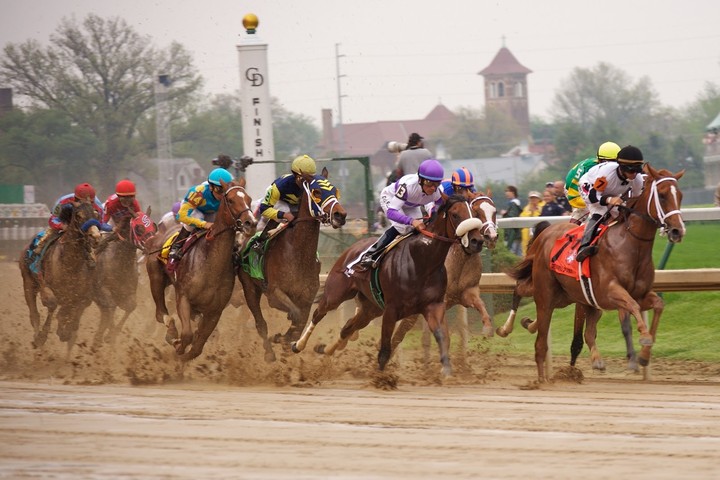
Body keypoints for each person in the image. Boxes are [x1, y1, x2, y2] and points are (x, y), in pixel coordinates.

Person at [353, 158, 445, 269]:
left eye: (436, 184)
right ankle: (370, 254)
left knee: (420, 229)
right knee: (402, 227)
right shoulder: (408, 186)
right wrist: (411, 221)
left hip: (411, 205)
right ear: (420, 180)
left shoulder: (438, 191)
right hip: (391, 199)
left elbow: (436, 208)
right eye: (429, 183)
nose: (432, 188)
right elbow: (392, 213)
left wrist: (432, 213)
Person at [575, 145, 645, 262]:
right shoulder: (606, 174)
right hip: (590, 187)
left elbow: (635, 198)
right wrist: (609, 200)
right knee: (600, 210)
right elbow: (593, 197)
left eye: (637, 169)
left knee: (620, 213)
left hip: (610, 191)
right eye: (631, 170)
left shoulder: (637, 179)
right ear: (621, 167)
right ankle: (584, 245)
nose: (634, 174)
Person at [251, 154, 318, 252]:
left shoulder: (314, 185)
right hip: (277, 201)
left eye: (311, 179)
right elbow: (264, 209)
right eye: (304, 179)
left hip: (294, 203)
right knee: (286, 212)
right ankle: (260, 242)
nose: (307, 183)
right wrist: (285, 215)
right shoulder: (280, 186)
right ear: (295, 175)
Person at [167, 167, 235, 263]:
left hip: (212, 212)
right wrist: (204, 224)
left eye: (226, 189)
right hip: (196, 210)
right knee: (198, 218)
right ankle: (177, 246)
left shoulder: (228, 195)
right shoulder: (198, 192)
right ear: (211, 187)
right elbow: (181, 216)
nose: (223, 194)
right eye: (220, 190)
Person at [33, 182, 106, 254]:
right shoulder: (62, 201)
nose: (86, 206)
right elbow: (52, 220)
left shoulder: (98, 206)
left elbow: (101, 223)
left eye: (90, 203)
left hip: (86, 226)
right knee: (49, 234)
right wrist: (61, 225)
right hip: (65, 221)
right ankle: (39, 251)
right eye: (82, 202)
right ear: (76, 199)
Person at [565, 141, 621, 224]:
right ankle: (572, 232)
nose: (610, 166)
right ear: (599, 160)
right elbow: (574, 193)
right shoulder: (590, 168)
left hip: (593, 187)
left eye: (614, 162)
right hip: (573, 188)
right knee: (588, 209)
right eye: (607, 162)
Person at [519, 190, 545, 255]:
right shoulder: (526, 208)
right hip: (527, 232)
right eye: (531, 198)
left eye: (535, 198)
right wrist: (531, 212)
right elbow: (522, 217)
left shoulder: (543, 206)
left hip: (538, 230)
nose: (533, 199)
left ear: (539, 199)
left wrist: (536, 210)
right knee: (526, 248)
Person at [501, 185, 522, 256]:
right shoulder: (514, 203)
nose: (506, 193)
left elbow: (512, 217)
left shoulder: (513, 203)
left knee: (512, 254)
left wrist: (505, 214)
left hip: (512, 234)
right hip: (516, 234)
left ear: (513, 192)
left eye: (507, 191)